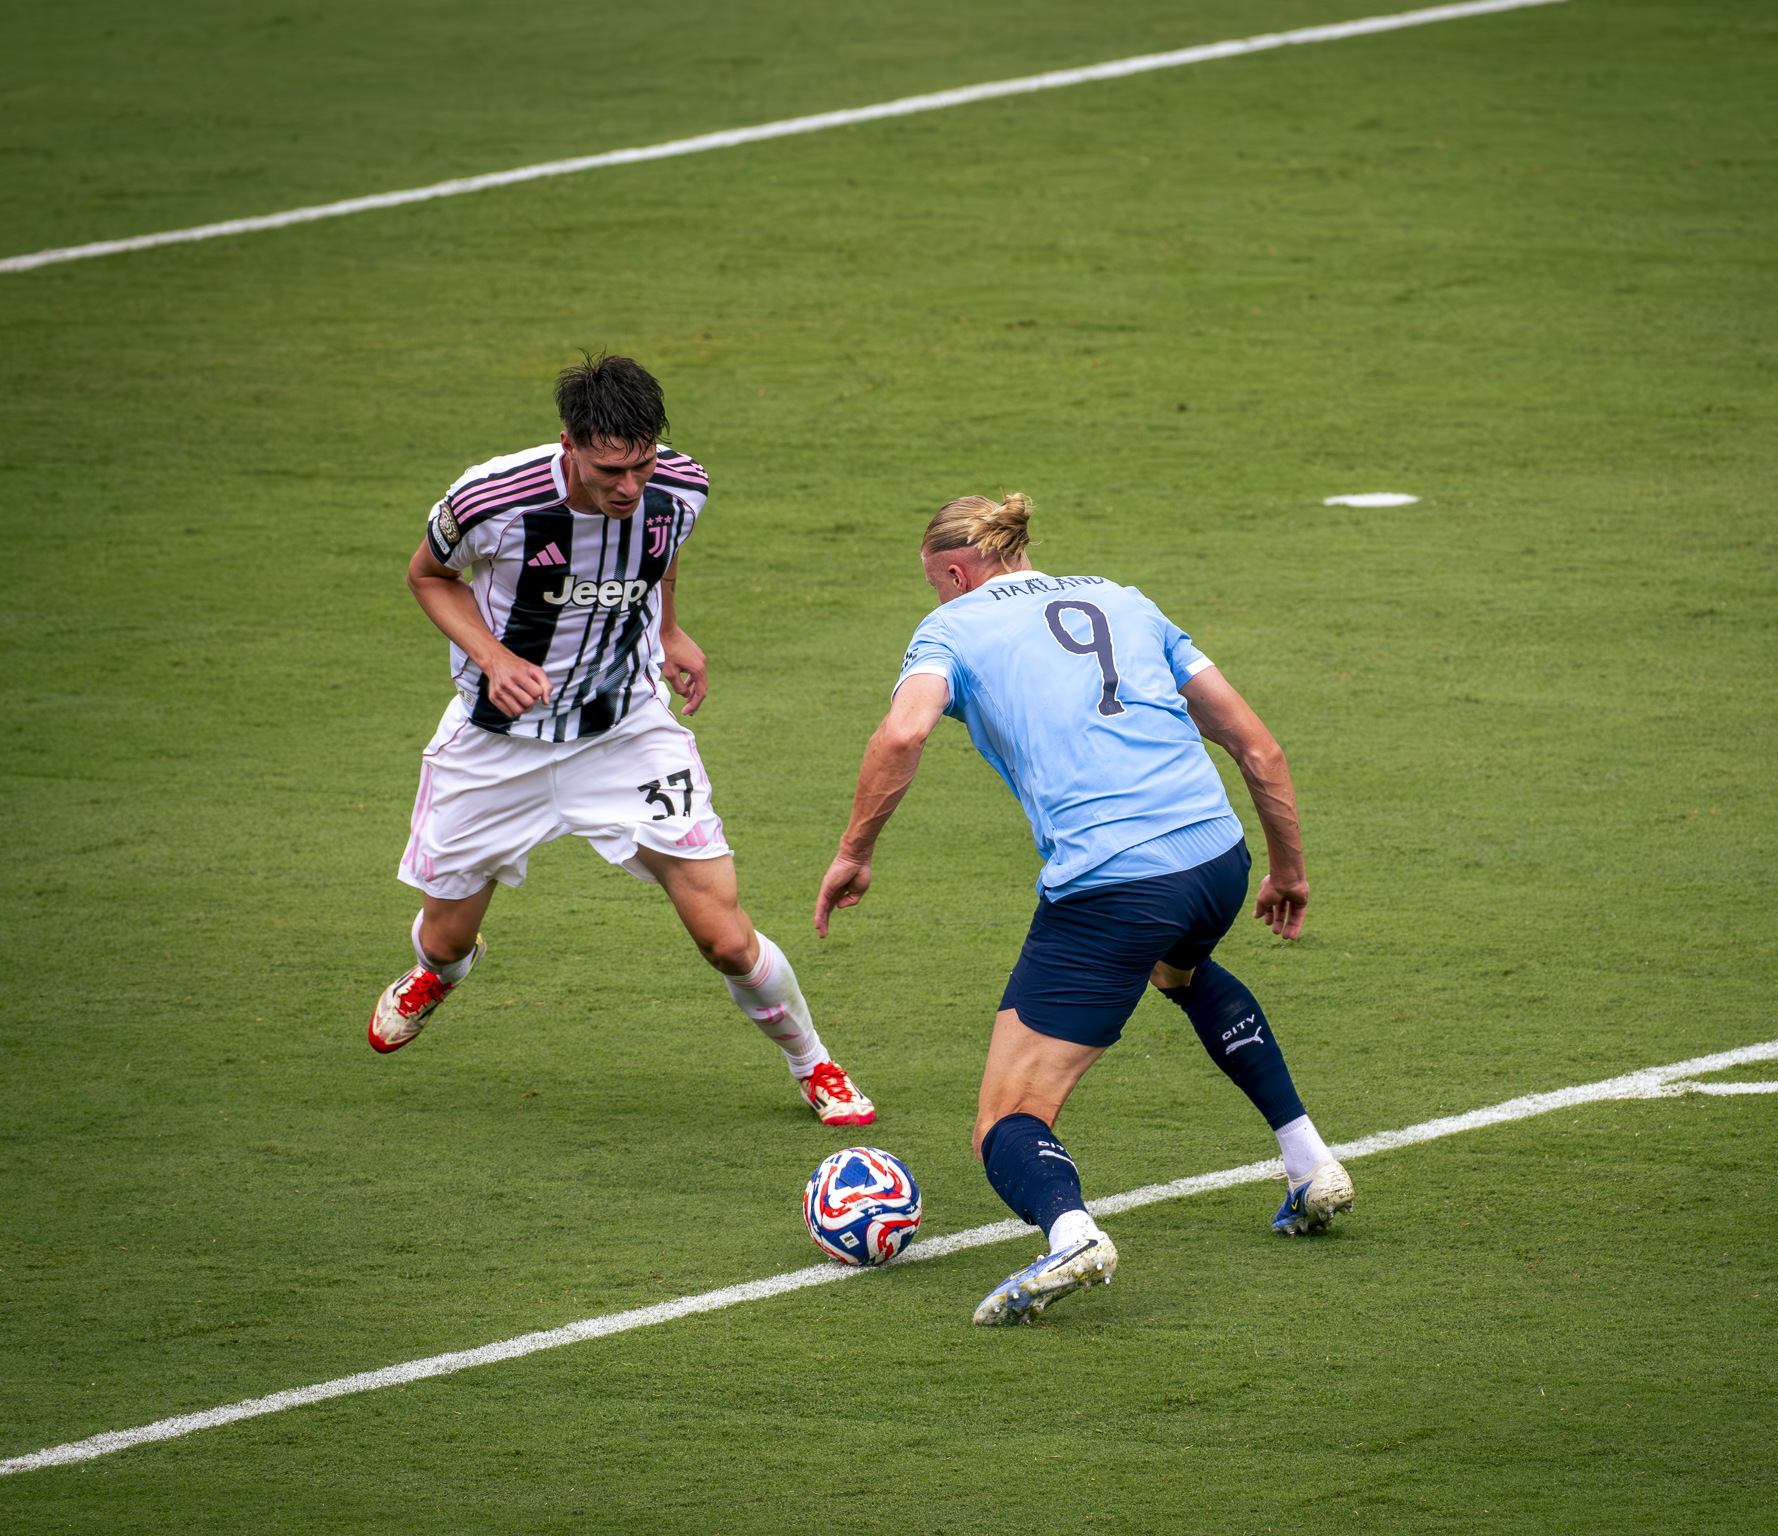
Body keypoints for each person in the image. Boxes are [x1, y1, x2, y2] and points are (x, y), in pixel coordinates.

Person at [814, 493, 1349, 1325]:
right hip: (1216, 856)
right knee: (1181, 968)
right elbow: (1258, 746)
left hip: (1113, 883)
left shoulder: (953, 630)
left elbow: (901, 735)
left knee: (1006, 1118)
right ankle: (1310, 1162)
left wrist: (854, 852)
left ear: (955, 573)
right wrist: (1288, 870)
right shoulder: (1125, 601)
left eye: (936, 586)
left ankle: (1071, 1234)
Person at [371, 353, 875, 1129]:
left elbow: (660, 553)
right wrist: (495, 658)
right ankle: (441, 973)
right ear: (568, 444)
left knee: (724, 934)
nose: (630, 486)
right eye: (611, 470)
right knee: (446, 935)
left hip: (625, 733)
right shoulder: (490, 498)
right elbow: (428, 577)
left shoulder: (682, 487)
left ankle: (814, 1065)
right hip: (496, 743)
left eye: (642, 464)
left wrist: (669, 631)